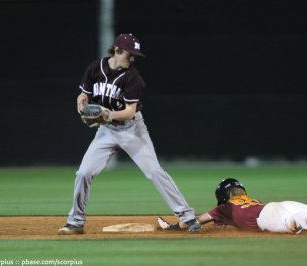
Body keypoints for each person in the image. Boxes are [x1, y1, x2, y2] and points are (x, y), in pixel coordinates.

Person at [57, 33, 200, 235]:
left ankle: (187, 216)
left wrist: (107, 115)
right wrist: (81, 102)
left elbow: (130, 111)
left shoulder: (133, 77)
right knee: (83, 172)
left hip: (132, 130)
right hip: (106, 131)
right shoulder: (95, 68)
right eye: (129, 54)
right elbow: (84, 94)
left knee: (155, 171)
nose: (132, 59)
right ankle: (75, 222)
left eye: (134, 56)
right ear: (117, 50)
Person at [158, 178, 307, 234]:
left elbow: (193, 221)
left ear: (221, 196)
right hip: (282, 204)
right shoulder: (250, 200)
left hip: (266, 215)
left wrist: (173, 227)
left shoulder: (223, 208)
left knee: (291, 222)